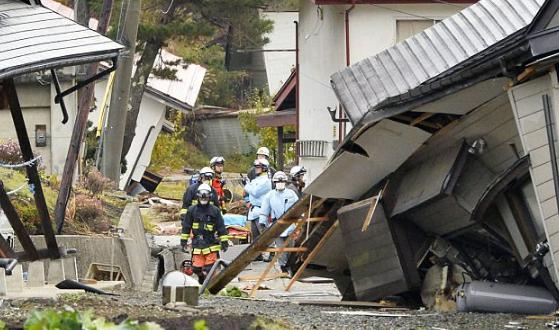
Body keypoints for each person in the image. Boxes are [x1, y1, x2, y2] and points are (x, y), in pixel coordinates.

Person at [180, 183, 229, 284]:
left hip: (210, 243)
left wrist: (224, 241)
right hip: (197, 243)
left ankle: (209, 286)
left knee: (210, 268)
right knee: (196, 269)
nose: (203, 200)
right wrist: (183, 240)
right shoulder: (191, 210)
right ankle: (201, 277)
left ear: (209, 197)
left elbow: (221, 227)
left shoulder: (215, 211)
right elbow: (186, 226)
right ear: (197, 196)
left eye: (206, 198)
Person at [259, 171, 299, 274]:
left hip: (291, 225)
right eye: (278, 182)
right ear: (274, 183)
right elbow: (264, 210)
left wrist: (300, 222)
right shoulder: (270, 195)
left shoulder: (291, 194)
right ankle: (283, 267)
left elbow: (299, 208)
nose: (280, 183)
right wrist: (262, 223)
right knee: (280, 249)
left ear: (285, 182)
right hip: (278, 225)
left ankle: (291, 267)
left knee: (291, 249)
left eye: (282, 181)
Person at [244, 158, 272, 259]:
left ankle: (270, 253)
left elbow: (255, 192)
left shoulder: (266, 182)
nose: (256, 169)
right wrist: (248, 183)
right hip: (253, 211)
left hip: (261, 211)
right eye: (256, 167)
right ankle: (257, 255)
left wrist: (246, 185)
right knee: (255, 236)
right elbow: (250, 191)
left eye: (258, 167)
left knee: (265, 235)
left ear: (264, 168)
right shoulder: (256, 180)